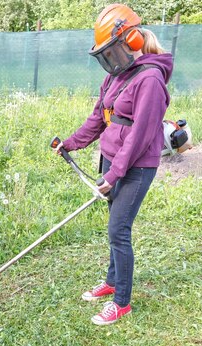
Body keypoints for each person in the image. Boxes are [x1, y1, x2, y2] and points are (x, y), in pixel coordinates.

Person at [55, 3, 173, 325]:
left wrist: (116, 171)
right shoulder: (116, 78)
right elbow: (98, 118)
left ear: (131, 40)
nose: (108, 59)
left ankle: (122, 302)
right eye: (104, 54)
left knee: (118, 230)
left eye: (112, 50)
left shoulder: (150, 79)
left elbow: (140, 135)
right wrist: (71, 143)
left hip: (136, 167)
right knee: (114, 228)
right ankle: (111, 282)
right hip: (113, 160)